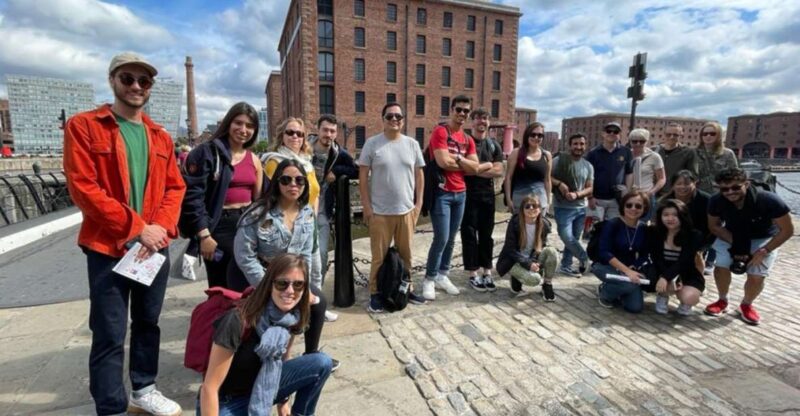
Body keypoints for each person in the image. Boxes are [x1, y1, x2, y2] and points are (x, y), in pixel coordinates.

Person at [63, 52, 186, 416]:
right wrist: (137, 228)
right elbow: (83, 187)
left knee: (148, 322)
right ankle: (111, 406)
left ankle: (144, 389)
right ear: (113, 80)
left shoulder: (159, 136)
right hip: (108, 246)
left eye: (143, 81)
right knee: (109, 331)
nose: (136, 86)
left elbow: (174, 188)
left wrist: (159, 228)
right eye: (128, 79)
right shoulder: (85, 126)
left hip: (153, 247)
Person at [230, 159, 339, 370]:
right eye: (286, 180)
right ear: (277, 183)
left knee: (317, 301)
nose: (293, 185)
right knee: (267, 313)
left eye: (299, 180)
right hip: (256, 274)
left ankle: (309, 354)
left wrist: (301, 287)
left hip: (289, 277)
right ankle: (259, 359)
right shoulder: (258, 213)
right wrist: (268, 286)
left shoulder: (307, 214)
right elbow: (244, 256)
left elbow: (305, 256)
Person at [198, 253, 332, 416]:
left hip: (264, 386)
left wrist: (284, 403)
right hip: (227, 401)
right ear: (269, 284)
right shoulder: (237, 320)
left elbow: (282, 359)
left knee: (321, 362)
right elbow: (209, 387)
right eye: (282, 283)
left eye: (298, 285)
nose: (290, 291)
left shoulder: (289, 317)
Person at [180, 102, 264, 288]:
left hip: (246, 225)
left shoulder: (254, 159)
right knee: (220, 286)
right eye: (238, 123)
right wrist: (204, 235)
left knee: (246, 285)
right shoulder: (208, 152)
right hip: (218, 226)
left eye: (250, 126)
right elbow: (193, 198)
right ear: (228, 123)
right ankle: (221, 318)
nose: (243, 130)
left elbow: (260, 200)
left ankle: (241, 318)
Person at [358, 102, 428, 313]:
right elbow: (362, 176)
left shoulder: (412, 144)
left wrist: (419, 203)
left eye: (398, 116)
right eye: (390, 116)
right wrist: (367, 207)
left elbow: (419, 174)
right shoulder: (372, 144)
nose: (395, 120)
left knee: (407, 255)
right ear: (383, 119)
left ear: (403, 120)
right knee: (378, 257)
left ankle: (407, 288)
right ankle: (375, 293)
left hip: (406, 211)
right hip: (380, 212)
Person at [704, 168, 793, 325]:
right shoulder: (716, 200)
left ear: (746, 184)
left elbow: (787, 230)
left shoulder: (768, 200)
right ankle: (722, 300)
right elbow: (715, 226)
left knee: (757, 274)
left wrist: (765, 250)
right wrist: (737, 244)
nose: (730, 192)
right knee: (721, 265)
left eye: (736, 187)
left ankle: (746, 304)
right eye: (725, 189)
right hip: (731, 235)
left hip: (763, 237)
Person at [261, 118, 327, 317]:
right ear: (282, 135)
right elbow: (272, 194)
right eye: (290, 133)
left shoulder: (306, 163)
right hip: (288, 222)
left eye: (300, 134)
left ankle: (314, 306)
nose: (295, 137)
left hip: (308, 221)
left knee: (315, 266)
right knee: (291, 268)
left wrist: (312, 216)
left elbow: (314, 192)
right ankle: (290, 308)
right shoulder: (274, 161)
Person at [423, 95, 484, 301]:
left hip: (461, 193)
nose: (462, 114)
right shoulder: (441, 131)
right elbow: (442, 162)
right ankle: (429, 278)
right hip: (442, 192)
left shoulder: (467, 139)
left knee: (451, 238)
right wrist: (464, 162)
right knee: (440, 237)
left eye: (466, 111)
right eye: (459, 110)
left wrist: (457, 158)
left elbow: (475, 168)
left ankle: (443, 274)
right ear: (451, 110)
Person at [309, 114, 358, 283]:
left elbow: (355, 170)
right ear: (317, 130)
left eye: (332, 131)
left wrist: (336, 172)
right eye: (325, 130)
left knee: (321, 253)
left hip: (322, 210)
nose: (328, 135)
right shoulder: (304, 148)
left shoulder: (339, 153)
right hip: (299, 209)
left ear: (336, 133)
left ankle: (317, 289)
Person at [461, 108, 505, 292]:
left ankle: (487, 271)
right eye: (478, 118)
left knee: (487, 235)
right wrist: (483, 168)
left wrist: (477, 169)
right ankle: (473, 273)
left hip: (488, 196)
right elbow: (464, 169)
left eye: (485, 118)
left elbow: (499, 170)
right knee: (469, 235)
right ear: (472, 122)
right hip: (468, 195)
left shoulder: (494, 145)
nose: (482, 122)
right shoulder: (464, 142)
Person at [592, 191, 650, 313]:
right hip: (605, 265)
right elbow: (604, 252)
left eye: (638, 206)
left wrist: (634, 267)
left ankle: (619, 290)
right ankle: (605, 292)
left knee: (635, 307)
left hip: (629, 268)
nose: (633, 209)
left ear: (644, 208)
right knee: (630, 284)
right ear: (623, 206)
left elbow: (645, 254)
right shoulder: (613, 224)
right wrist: (627, 271)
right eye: (629, 205)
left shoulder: (643, 228)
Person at [647, 199, 705, 315]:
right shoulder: (654, 232)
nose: (670, 218)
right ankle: (662, 296)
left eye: (675, 215)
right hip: (662, 269)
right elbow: (656, 258)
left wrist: (671, 278)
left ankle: (685, 302)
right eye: (666, 215)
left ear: (682, 216)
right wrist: (665, 277)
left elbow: (685, 261)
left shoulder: (694, 235)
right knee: (662, 284)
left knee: (690, 297)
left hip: (687, 272)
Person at [496, 195, 558, 300]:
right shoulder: (515, 223)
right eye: (527, 206)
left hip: (532, 258)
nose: (531, 209)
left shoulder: (544, 225)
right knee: (534, 279)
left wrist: (534, 262)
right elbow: (510, 249)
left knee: (552, 251)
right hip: (514, 260)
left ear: (540, 209)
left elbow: (540, 246)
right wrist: (529, 264)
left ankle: (547, 285)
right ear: (522, 209)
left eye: (534, 206)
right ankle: (516, 279)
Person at [550, 133, 594, 278]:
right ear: (570, 145)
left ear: (585, 146)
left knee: (574, 238)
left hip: (581, 207)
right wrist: (560, 184)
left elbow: (590, 188)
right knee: (567, 237)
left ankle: (566, 265)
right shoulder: (558, 160)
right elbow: (547, 177)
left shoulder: (588, 165)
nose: (578, 147)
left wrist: (577, 194)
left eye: (581, 144)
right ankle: (584, 258)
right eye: (575, 144)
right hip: (563, 207)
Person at [661, 170, 714, 274]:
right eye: (679, 184)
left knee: (696, 260)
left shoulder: (706, 200)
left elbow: (714, 226)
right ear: (673, 185)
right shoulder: (666, 200)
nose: (683, 187)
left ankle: (698, 282)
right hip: (672, 236)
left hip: (699, 236)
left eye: (687, 184)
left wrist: (703, 247)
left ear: (695, 183)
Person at [586, 121, 633, 220]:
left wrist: (627, 192)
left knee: (612, 230)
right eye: (609, 131)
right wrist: (590, 198)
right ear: (603, 133)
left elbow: (629, 173)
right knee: (593, 230)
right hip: (597, 199)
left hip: (617, 200)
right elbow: (587, 177)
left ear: (619, 135)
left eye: (615, 132)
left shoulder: (626, 152)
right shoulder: (593, 153)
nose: (612, 133)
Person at [504, 122, 552, 214]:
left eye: (540, 135)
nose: (536, 138)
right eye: (533, 134)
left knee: (539, 228)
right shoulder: (516, 153)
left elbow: (547, 180)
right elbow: (508, 178)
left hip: (540, 202)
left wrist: (548, 201)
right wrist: (509, 199)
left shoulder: (547, 155)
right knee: (519, 227)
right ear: (527, 135)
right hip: (520, 201)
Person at [625, 128, 665, 222]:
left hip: (645, 195)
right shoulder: (625, 155)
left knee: (642, 224)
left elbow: (662, 178)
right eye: (634, 141)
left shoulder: (654, 156)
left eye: (642, 141)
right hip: (628, 196)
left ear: (646, 141)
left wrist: (651, 192)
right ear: (630, 141)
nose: (638, 144)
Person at [656, 122, 698, 197]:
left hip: (676, 194)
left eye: (675, 135)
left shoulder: (688, 152)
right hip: (655, 192)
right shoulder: (655, 150)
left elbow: (693, 175)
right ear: (664, 135)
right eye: (668, 134)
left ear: (681, 136)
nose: (671, 137)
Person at [695, 121, 738, 194]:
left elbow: (735, 175)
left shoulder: (728, 154)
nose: (708, 136)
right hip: (698, 193)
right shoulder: (693, 153)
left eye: (712, 134)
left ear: (719, 135)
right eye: (705, 134)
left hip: (721, 193)